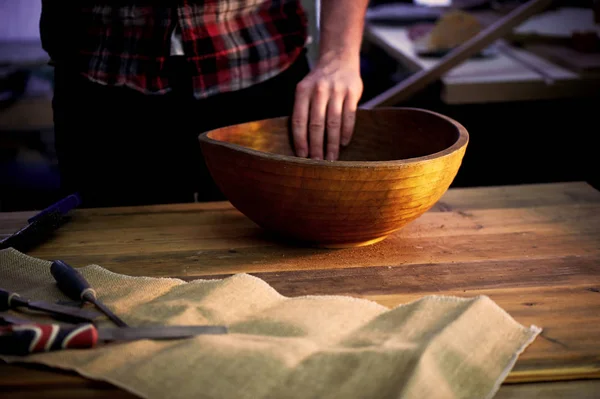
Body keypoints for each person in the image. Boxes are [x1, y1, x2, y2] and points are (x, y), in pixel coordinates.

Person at [39, 1, 369, 207]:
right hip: (101, 84)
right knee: (106, 268)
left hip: (260, 71)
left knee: (275, 261)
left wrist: (339, 53)